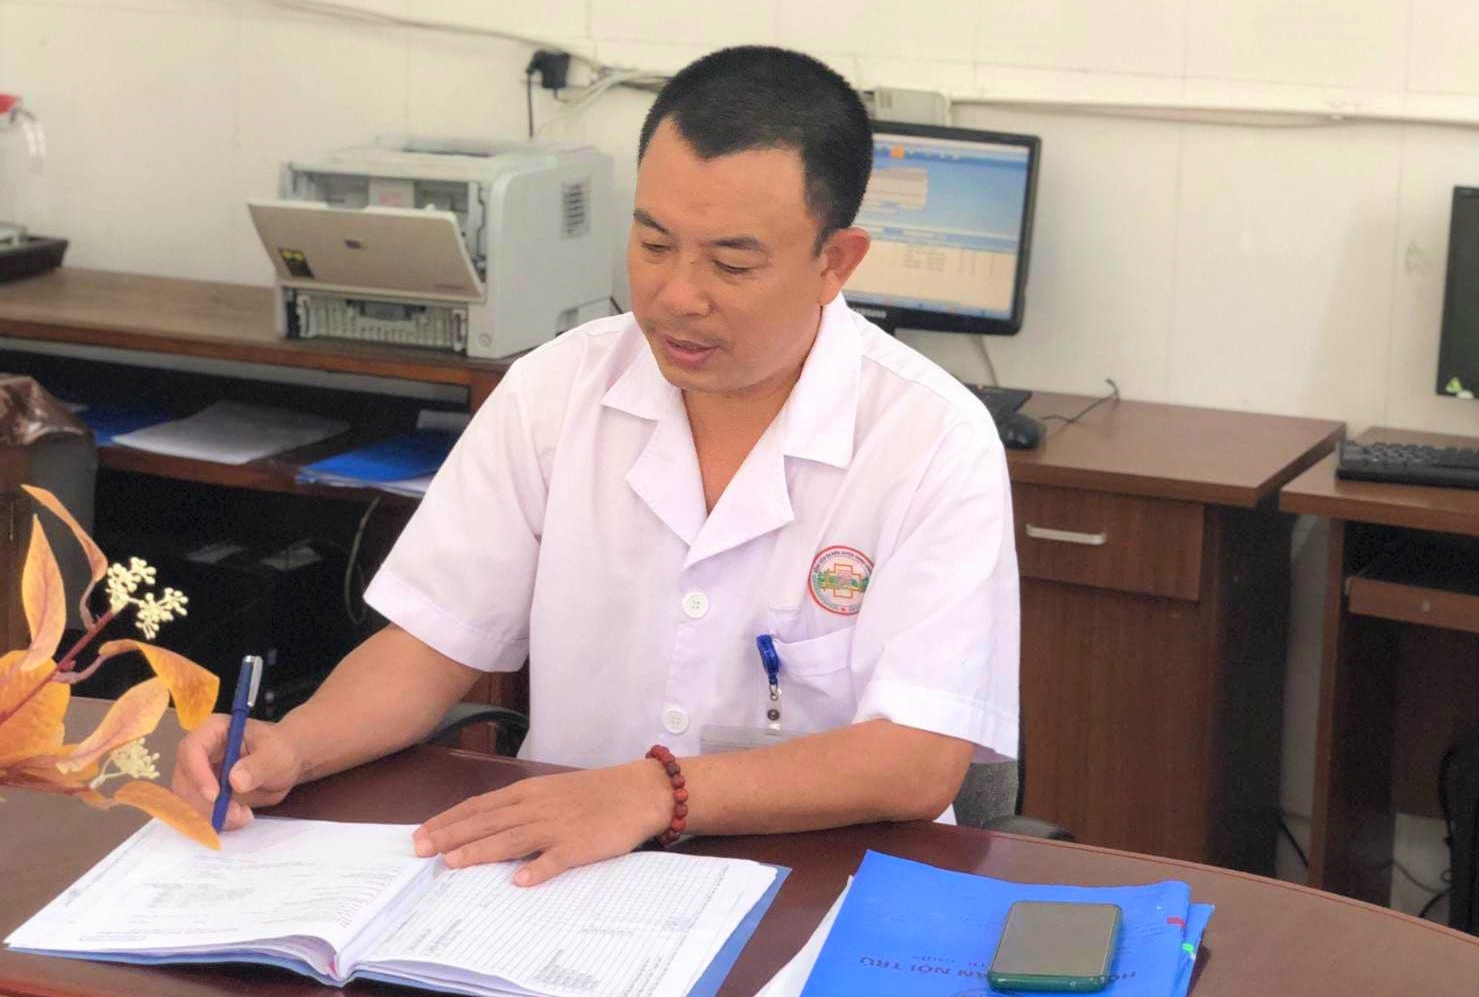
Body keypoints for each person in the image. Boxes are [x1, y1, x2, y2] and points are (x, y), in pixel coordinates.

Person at [173, 46, 1019, 885]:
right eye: (653, 244)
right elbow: (429, 645)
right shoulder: (558, 389)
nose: (677, 295)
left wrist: (658, 794)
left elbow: (918, 760)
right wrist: (292, 746)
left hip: (825, 886)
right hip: (567, 882)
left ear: (835, 262)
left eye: (731, 264)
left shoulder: (931, 439)